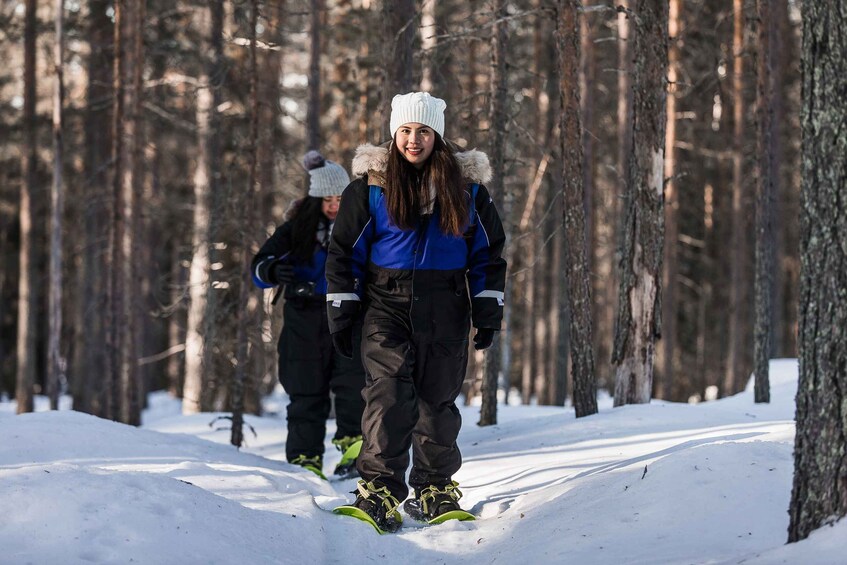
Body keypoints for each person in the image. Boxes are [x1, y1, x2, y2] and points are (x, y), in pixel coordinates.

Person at [326, 92, 507, 532]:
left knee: (437, 399)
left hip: (446, 304)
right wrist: (343, 309)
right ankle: (380, 491)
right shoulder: (370, 188)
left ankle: (434, 487)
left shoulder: (468, 192)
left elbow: (488, 254)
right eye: (405, 130)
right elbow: (344, 253)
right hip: (385, 303)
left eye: (423, 131)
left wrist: (487, 309)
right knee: (387, 394)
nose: (413, 139)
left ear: (437, 137)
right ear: (394, 134)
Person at [252, 151, 366, 480]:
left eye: (339, 198)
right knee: (305, 389)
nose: (334, 206)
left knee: (353, 385)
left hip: (349, 314)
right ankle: (305, 459)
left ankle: (355, 450)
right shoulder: (293, 230)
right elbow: (259, 268)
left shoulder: (360, 227)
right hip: (303, 316)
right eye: (327, 199)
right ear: (315, 199)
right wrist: (274, 269)